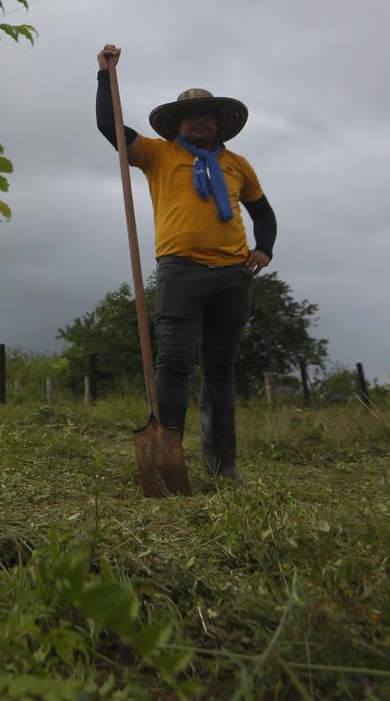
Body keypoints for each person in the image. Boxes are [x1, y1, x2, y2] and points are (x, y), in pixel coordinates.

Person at [94, 44, 275, 482]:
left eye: (207, 115)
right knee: (173, 364)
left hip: (234, 276)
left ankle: (221, 467)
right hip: (180, 272)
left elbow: (263, 213)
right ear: (177, 124)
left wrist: (264, 248)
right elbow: (109, 125)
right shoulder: (158, 154)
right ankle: (167, 465)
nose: (199, 120)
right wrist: (105, 75)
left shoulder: (238, 165)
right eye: (190, 116)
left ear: (218, 124)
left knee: (220, 368)